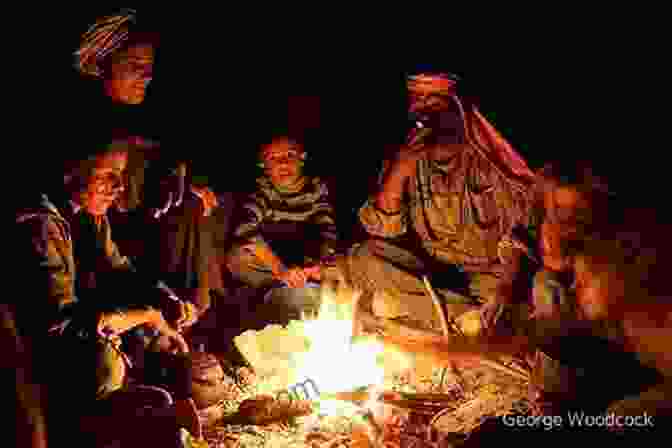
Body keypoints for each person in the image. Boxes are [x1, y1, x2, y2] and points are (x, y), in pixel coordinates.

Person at [14, 139, 203, 445]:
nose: (119, 188)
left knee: (155, 339)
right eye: (107, 176)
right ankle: (100, 421)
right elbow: (60, 323)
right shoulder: (40, 227)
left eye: (122, 176)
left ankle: (139, 404)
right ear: (70, 172)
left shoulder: (89, 214)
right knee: (113, 357)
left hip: (81, 331)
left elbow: (120, 271)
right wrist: (147, 316)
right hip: (40, 353)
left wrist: (164, 300)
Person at [340, 72, 537, 334]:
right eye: (417, 99)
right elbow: (382, 229)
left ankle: (439, 315)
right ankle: (461, 317)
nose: (422, 110)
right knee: (362, 259)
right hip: (433, 269)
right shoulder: (407, 155)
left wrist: (504, 290)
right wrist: (399, 171)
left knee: (513, 305)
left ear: (457, 108)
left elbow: (520, 237)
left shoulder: (490, 160)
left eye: (434, 101)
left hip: (490, 274)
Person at [74, 8, 217, 318]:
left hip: (141, 215)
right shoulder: (81, 113)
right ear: (105, 66)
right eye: (135, 66)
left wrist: (178, 169)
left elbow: (168, 146)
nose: (147, 76)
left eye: (149, 67)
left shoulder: (144, 112)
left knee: (192, 203)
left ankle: (186, 310)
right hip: (98, 220)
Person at [226, 136, 338, 323]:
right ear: (263, 165)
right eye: (273, 158)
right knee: (237, 257)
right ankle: (273, 289)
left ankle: (309, 288)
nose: (283, 162)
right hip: (273, 263)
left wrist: (318, 262)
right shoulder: (261, 193)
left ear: (302, 159)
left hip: (306, 260)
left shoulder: (316, 189)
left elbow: (327, 230)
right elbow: (245, 230)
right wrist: (280, 269)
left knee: (342, 266)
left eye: (289, 155)